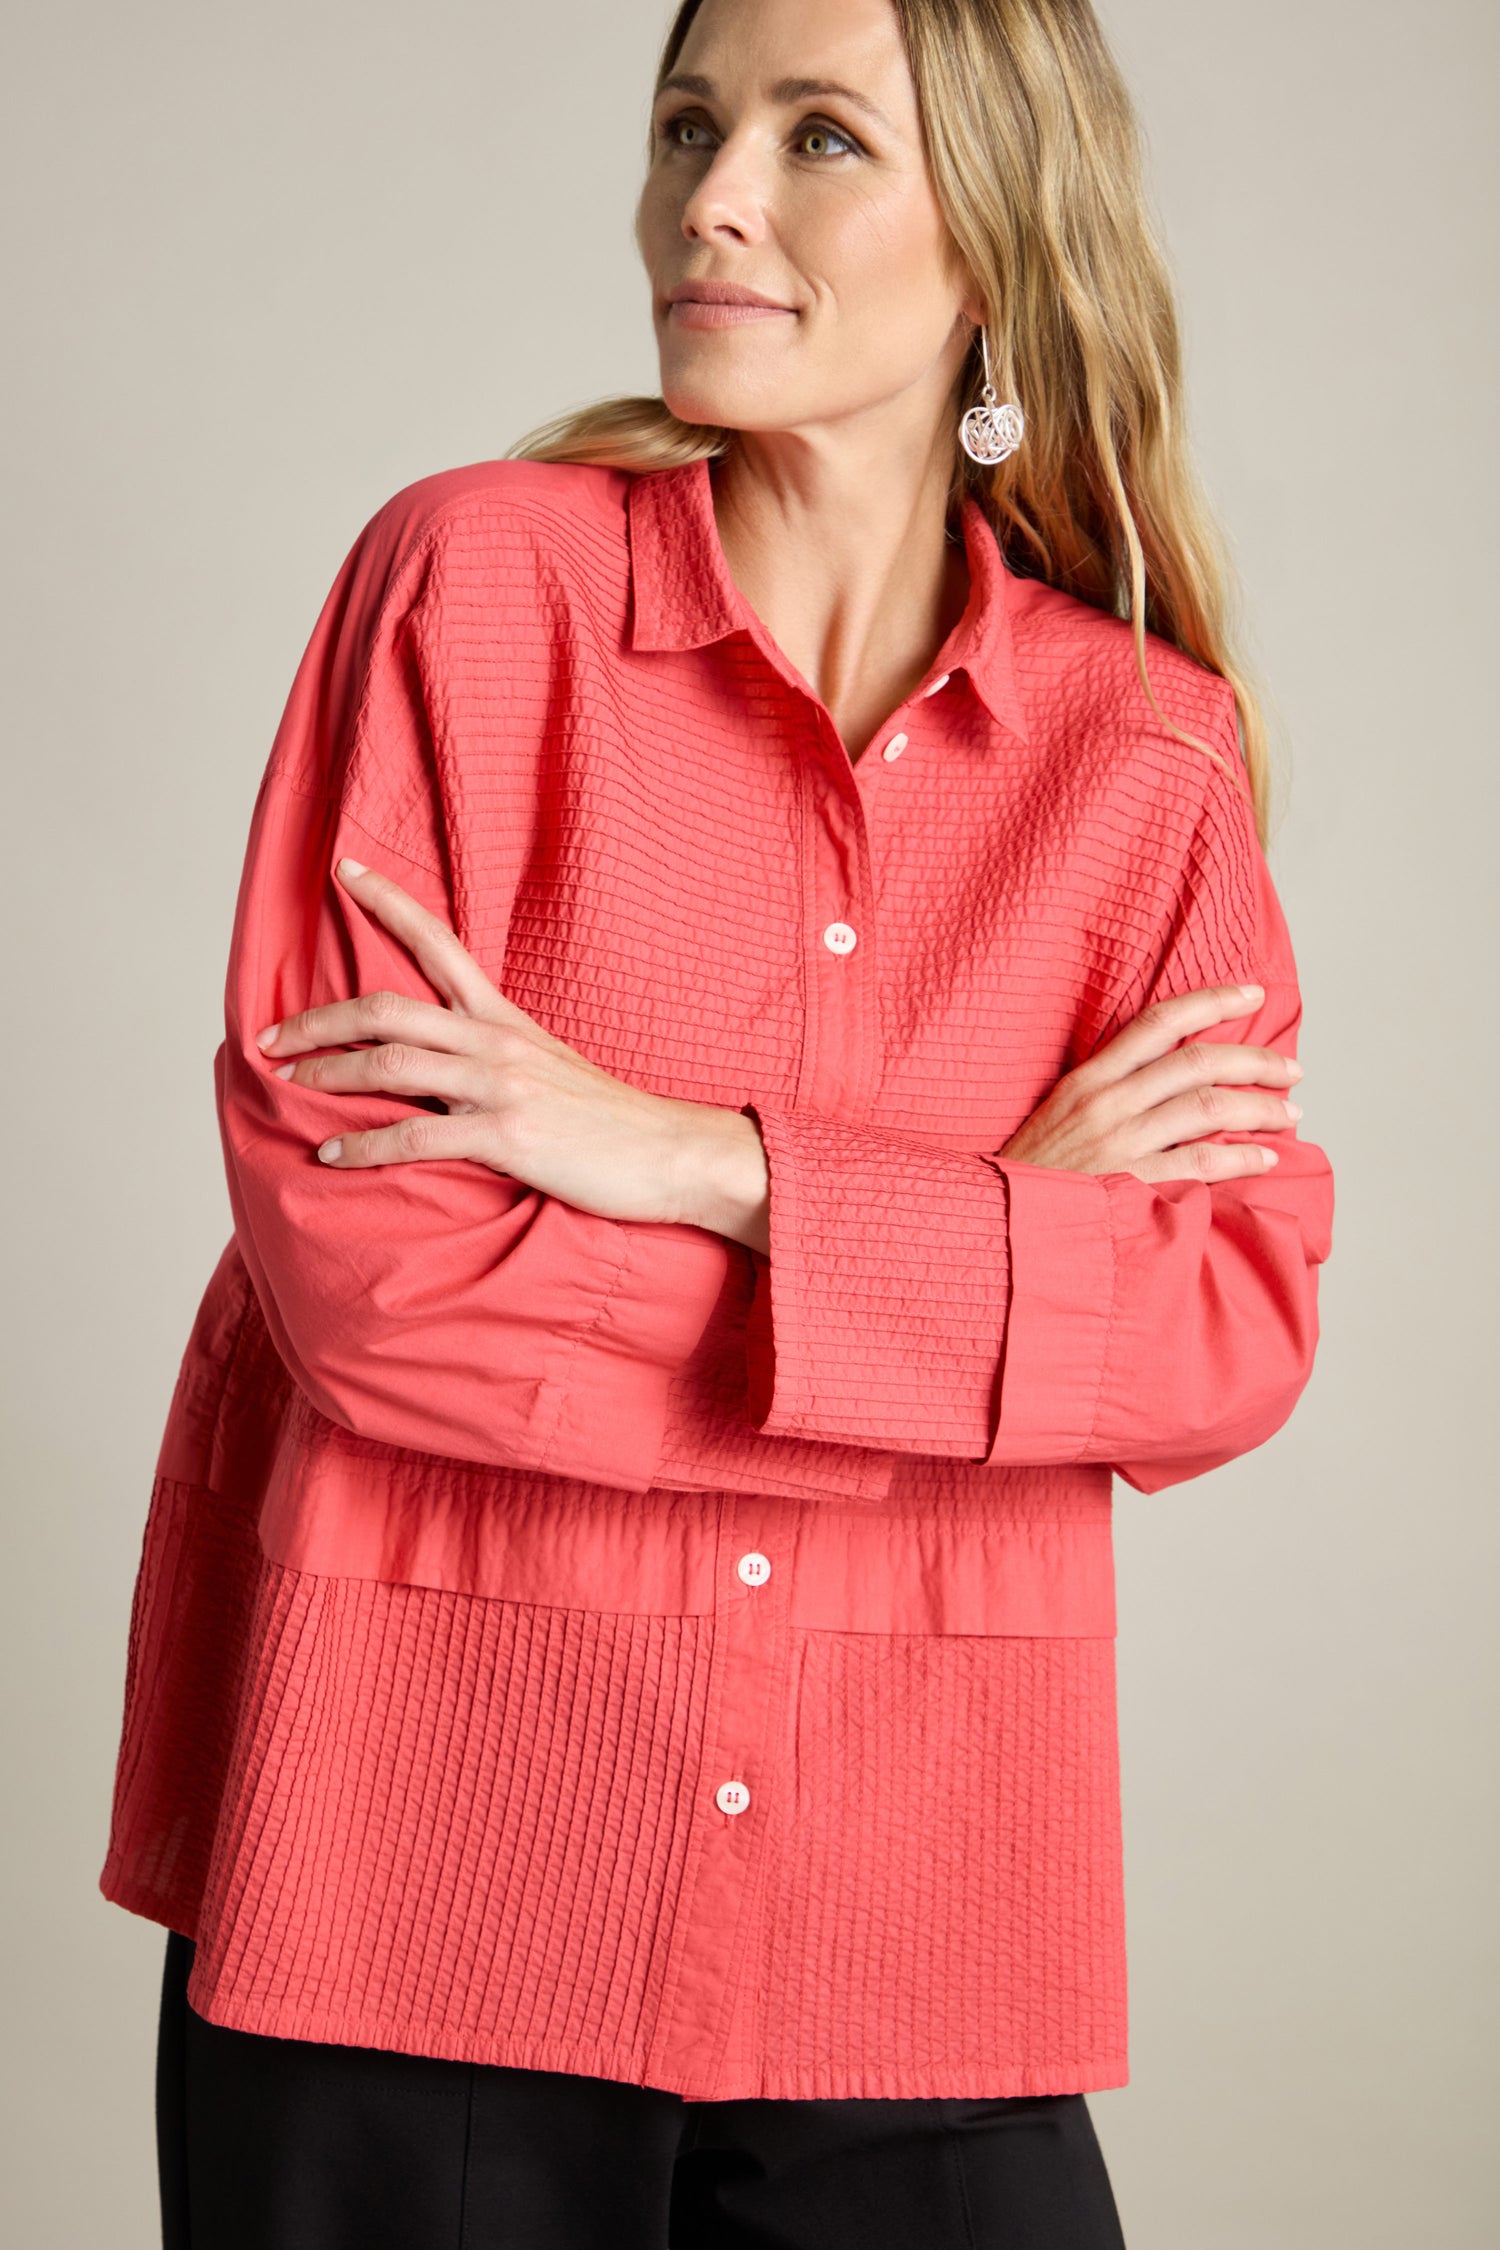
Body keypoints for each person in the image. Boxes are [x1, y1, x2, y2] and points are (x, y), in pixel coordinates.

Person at [101, 0, 1335, 2242]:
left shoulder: (1146, 757)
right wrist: (980, 1273)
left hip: (923, 1929)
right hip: (423, 1897)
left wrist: (707, 1164)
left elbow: (1223, 1328)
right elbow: (379, 1289)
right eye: (689, 125)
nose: (712, 200)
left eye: (818, 136)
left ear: (996, 244)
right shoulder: (472, 596)